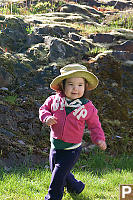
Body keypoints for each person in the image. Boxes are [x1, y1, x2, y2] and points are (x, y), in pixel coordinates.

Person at [39, 63, 107, 200]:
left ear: (85, 87)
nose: (75, 88)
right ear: (63, 86)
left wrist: (99, 138)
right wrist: (46, 117)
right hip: (55, 146)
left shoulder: (87, 107)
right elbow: (43, 109)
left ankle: (53, 197)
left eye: (80, 85)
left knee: (58, 175)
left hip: (72, 149)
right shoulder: (54, 100)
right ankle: (76, 187)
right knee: (57, 171)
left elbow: (95, 125)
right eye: (70, 84)